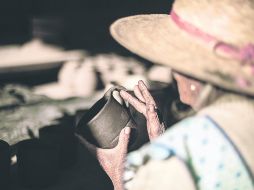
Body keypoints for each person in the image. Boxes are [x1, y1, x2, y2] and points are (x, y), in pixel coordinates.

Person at [78, 0, 254, 189]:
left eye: (173, 61)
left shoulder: (175, 159)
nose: (173, 73)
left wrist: (119, 176)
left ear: (192, 75)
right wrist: (161, 138)